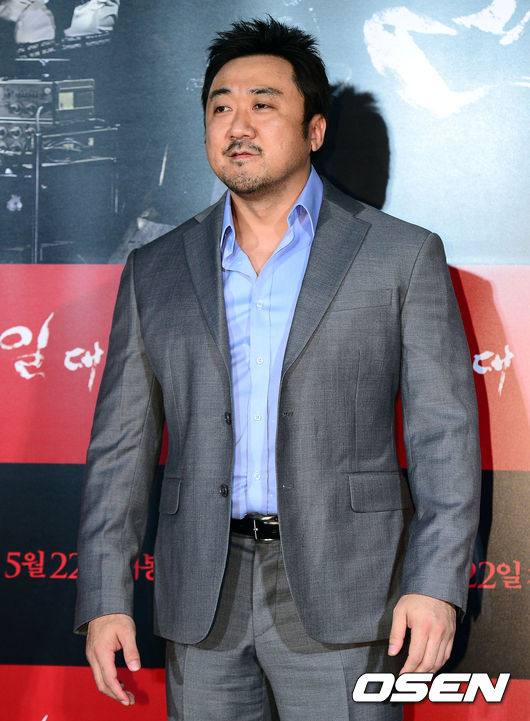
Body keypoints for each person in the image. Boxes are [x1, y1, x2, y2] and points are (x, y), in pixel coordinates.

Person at [75, 16, 481, 721]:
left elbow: (443, 435)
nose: (238, 125)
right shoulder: (155, 269)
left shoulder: (401, 256)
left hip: (348, 588)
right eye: (220, 107)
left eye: (263, 104)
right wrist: (106, 595)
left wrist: (437, 584)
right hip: (203, 594)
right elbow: (120, 447)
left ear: (314, 130)